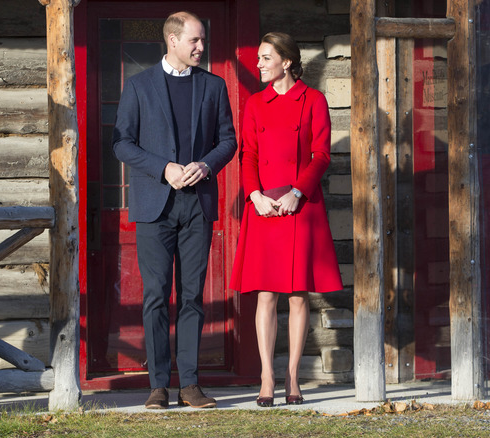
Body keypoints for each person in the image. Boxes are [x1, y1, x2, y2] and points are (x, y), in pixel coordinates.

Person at [113, 11, 237, 410]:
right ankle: (158, 386)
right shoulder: (138, 86)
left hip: (197, 205)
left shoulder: (214, 86)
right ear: (172, 40)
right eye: (195, 41)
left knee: (191, 298)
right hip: (154, 205)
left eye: (203, 41)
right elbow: (122, 144)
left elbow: (228, 140)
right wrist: (163, 168)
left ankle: (190, 386)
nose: (202, 47)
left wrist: (206, 165)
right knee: (154, 297)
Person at [229, 32, 343, 407]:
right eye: (259, 58)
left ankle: (293, 378)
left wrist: (297, 193)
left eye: (265, 58)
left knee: (297, 295)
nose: (259, 64)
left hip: (299, 203)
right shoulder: (255, 104)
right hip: (263, 206)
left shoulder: (314, 100)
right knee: (265, 294)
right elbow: (247, 155)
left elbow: (321, 155)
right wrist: (254, 195)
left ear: (287, 61)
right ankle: (267, 376)